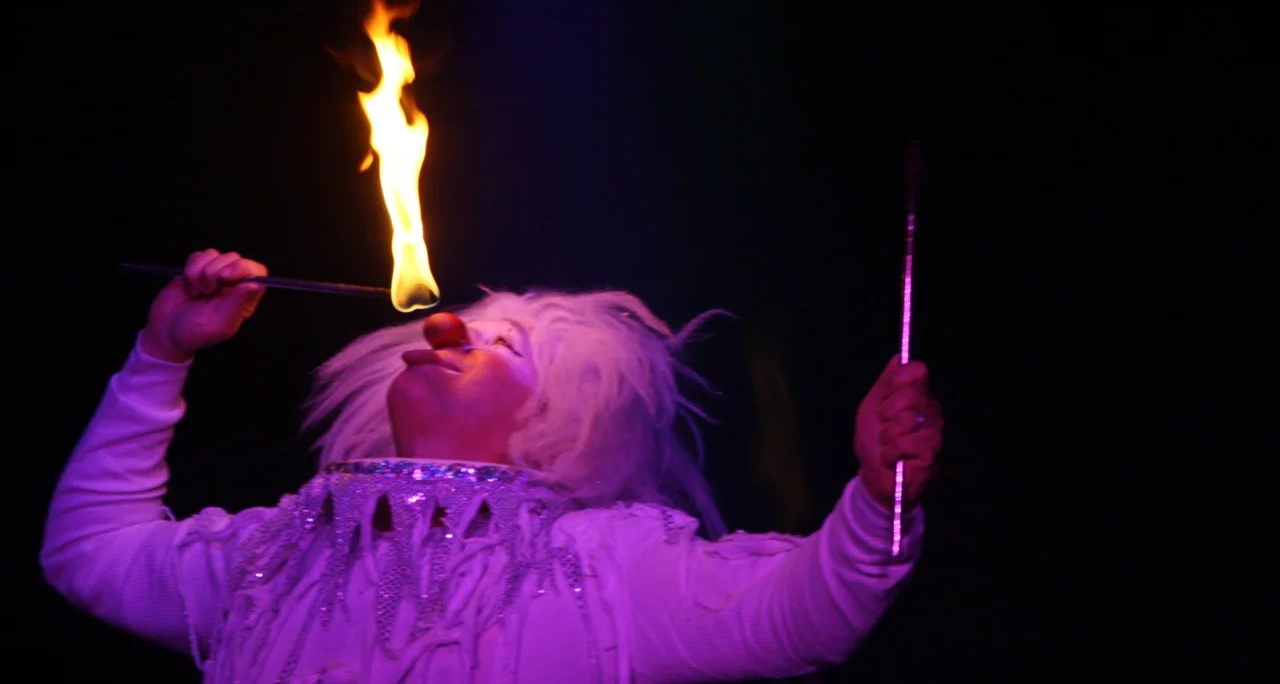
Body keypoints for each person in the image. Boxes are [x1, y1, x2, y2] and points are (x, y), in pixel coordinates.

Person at [42, 249, 944, 683]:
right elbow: (90, 553)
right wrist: (162, 354)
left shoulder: (607, 565)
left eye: (506, 345)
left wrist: (876, 496)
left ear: (556, 423)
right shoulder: (277, 552)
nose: (447, 332)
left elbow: (803, 612)